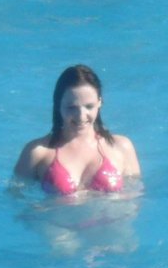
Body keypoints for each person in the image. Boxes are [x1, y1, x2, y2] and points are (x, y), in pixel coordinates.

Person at [14, 64, 141, 195]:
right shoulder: (37, 152)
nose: (81, 116)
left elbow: (136, 197)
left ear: (100, 102)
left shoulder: (121, 147)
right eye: (71, 107)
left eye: (89, 106)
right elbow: (16, 199)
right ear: (58, 105)